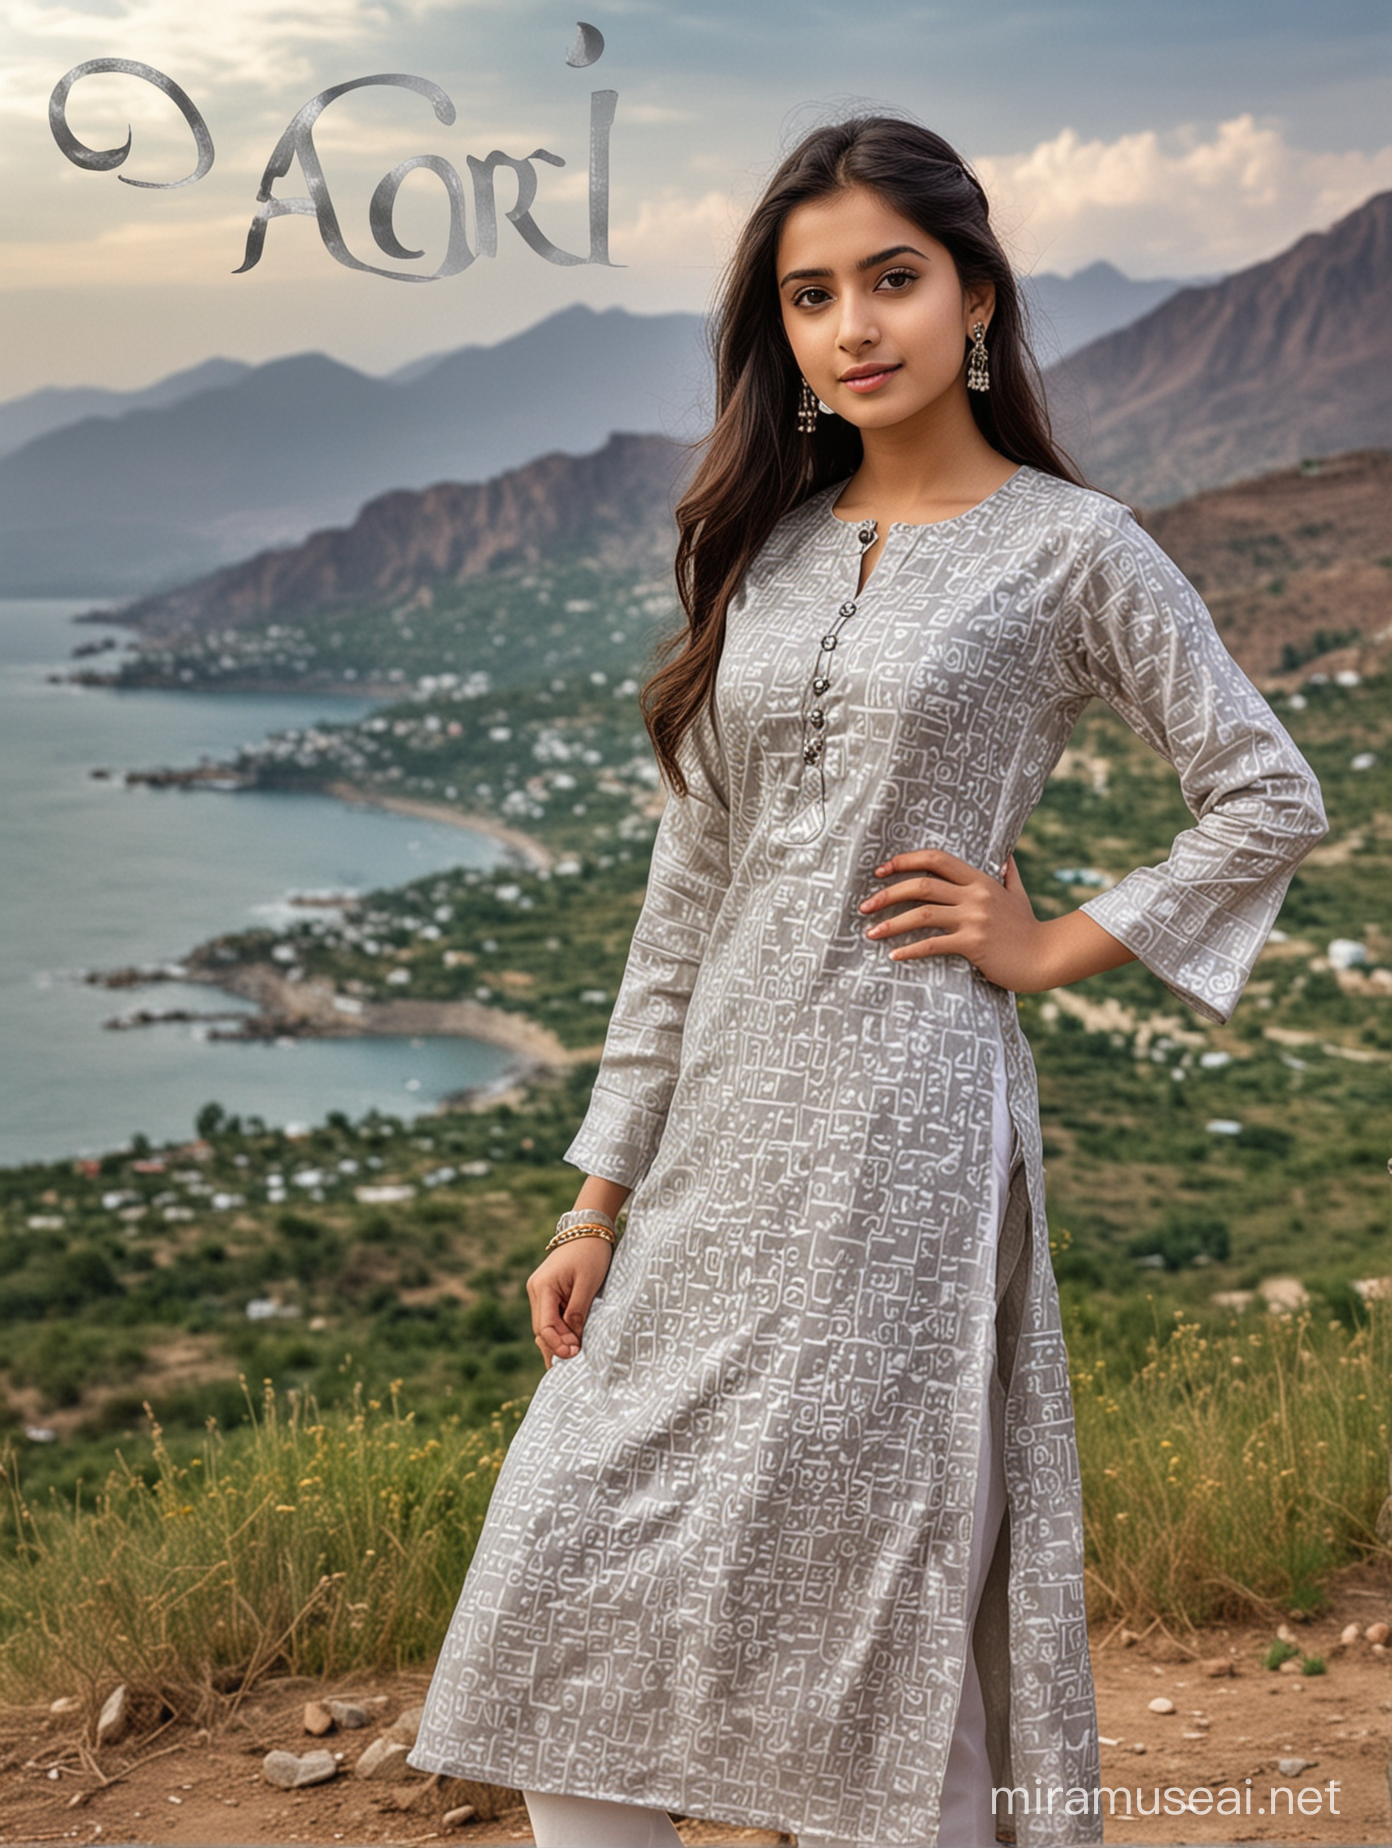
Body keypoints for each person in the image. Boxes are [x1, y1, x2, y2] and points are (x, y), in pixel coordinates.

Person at [407, 116, 1328, 1847]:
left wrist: (1052, 942)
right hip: (716, 1150)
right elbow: (687, 899)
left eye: (891, 279)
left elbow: (1268, 789)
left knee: (871, 1607)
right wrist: (599, 1194)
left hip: (907, 1136)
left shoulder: (1074, 547)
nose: (854, 326)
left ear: (974, 292)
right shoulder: (767, 553)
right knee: (574, 1577)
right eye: (813, 294)